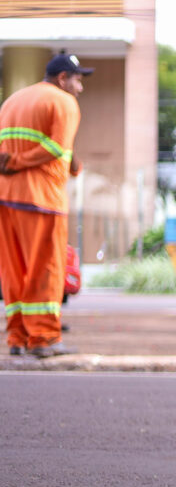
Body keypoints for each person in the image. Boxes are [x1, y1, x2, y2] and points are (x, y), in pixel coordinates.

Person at [0, 50, 90, 358]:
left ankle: (17, 336)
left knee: (14, 270)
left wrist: (73, 162)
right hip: (42, 200)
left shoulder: (13, 100)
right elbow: (53, 147)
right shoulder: (64, 102)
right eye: (78, 81)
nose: (81, 88)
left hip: (6, 198)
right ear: (63, 78)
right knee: (47, 269)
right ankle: (44, 338)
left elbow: (39, 145)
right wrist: (18, 162)